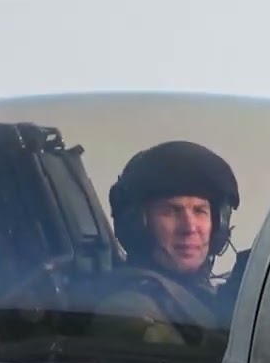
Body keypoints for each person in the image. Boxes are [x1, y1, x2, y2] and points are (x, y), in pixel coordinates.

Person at [88, 141, 240, 347]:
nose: (189, 228)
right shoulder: (131, 310)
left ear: (219, 224)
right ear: (138, 224)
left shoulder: (196, 297)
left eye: (200, 211)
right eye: (170, 211)